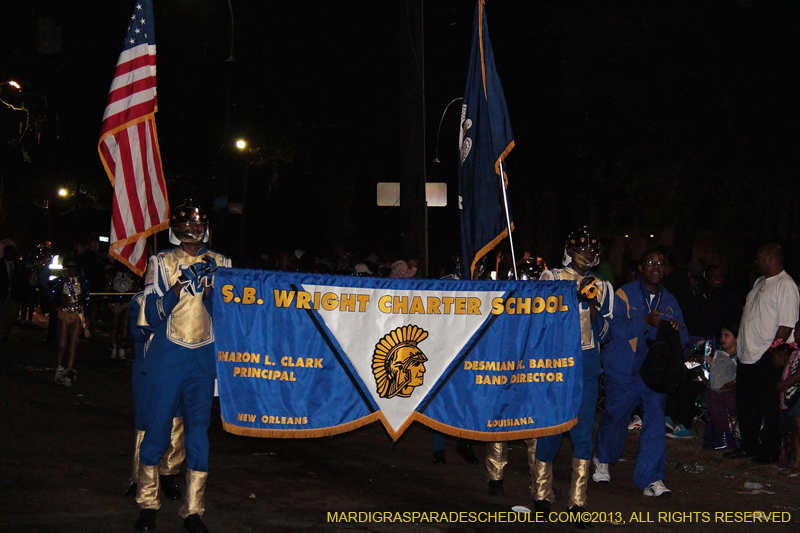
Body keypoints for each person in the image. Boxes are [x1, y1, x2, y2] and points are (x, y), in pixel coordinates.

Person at [133, 200, 230, 533]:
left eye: (199, 227)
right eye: (189, 227)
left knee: (199, 435)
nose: (195, 232)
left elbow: (232, 317)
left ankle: (193, 511)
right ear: (177, 230)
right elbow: (147, 316)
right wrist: (178, 287)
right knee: (157, 431)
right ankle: (147, 504)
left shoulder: (221, 262)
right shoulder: (161, 262)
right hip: (167, 357)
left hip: (203, 358)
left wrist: (214, 289)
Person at [528, 228, 613, 526]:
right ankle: (541, 494)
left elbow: (607, 331)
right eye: (583, 247)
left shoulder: (603, 286)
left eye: (593, 248)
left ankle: (577, 502)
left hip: (586, 364)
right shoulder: (551, 278)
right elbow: (538, 320)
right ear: (570, 249)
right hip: (555, 363)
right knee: (550, 427)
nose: (588, 253)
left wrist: (592, 308)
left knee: (583, 431)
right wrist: (570, 301)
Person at [593, 249, 688, 497]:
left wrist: (676, 331)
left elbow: (684, 337)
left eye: (660, 263)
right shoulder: (624, 293)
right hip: (625, 369)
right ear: (640, 268)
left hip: (655, 372)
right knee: (616, 416)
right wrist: (644, 321)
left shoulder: (670, 300)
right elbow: (613, 329)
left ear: (665, 269)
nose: (655, 267)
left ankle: (651, 478)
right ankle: (603, 458)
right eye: (649, 262)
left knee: (655, 422)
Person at [726, 244, 799, 464]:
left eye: (759, 258)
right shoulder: (759, 283)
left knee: (768, 407)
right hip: (747, 355)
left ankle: (769, 450)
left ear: (770, 259)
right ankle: (749, 446)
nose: (756, 262)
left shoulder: (786, 285)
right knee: (747, 404)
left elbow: (786, 325)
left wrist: (772, 352)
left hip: (766, 356)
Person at [125, 291, 185, 500]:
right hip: (148, 370)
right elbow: (138, 333)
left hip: (176, 369)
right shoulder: (140, 300)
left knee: (177, 421)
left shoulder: (186, 295)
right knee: (146, 422)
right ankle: (139, 476)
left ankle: (168, 473)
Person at [52, 257, 90, 387]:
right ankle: (59, 368)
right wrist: (59, 303)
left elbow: (87, 299)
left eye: (73, 268)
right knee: (62, 343)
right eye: (69, 268)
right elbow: (52, 296)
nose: (71, 271)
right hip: (64, 312)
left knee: (73, 343)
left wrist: (87, 316)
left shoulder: (83, 281)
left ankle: (69, 369)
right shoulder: (61, 281)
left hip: (78, 314)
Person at [703, 322, 739, 451]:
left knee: (713, 397)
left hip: (732, 395)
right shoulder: (719, 354)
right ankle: (720, 434)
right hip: (720, 392)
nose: (723, 339)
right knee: (710, 394)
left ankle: (725, 436)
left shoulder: (738, 358)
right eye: (722, 335)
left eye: (727, 336)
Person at [775, 328, 800, 474]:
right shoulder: (795, 353)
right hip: (793, 396)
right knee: (795, 431)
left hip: (796, 394)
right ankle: (796, 463)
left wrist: (784, 384)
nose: (795, 332)